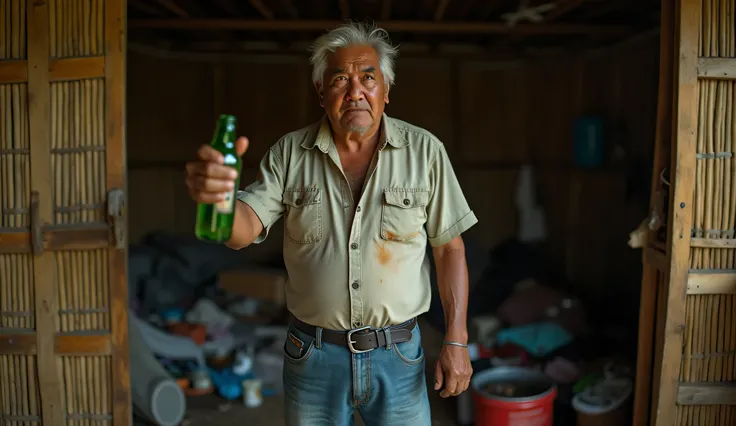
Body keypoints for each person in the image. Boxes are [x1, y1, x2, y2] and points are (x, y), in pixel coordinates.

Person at [185, 21, 478, 426]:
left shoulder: (425, 152)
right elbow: (243, 231)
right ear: (321, 93)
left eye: (368, 78)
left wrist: (456, 339)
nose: (355, 90)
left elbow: (450, 249)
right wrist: (217, 199)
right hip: (313, 355)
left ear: (386, 92)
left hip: (398, 354)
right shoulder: (290, 154)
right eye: (340, 78)